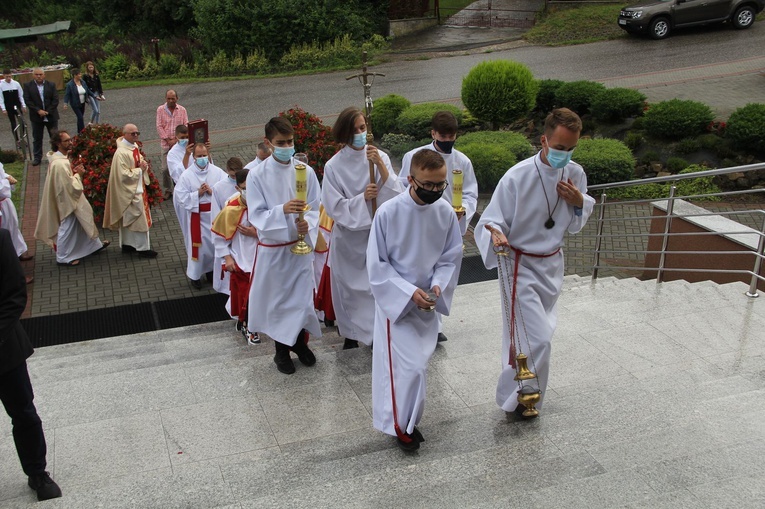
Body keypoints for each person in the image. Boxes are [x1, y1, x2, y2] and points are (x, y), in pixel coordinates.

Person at [475, 108, 595, 419]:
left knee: (538, 337)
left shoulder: (576, 174)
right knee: (534, 338)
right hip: (520, 265)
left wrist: (579, 202)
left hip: (552, 265)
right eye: (558, 148)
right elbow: (490, 220)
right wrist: (497, 233)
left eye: (570, 150)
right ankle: (515, 397)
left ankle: (528, 398)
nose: (564, 156)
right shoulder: (517, 176)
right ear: (543, 140)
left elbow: (575, 223)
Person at [367, 149, 463, 452]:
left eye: (440, 185)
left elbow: (450, 257)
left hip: (428, 301)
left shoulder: (445, 211)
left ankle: (408, 422)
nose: (435, 191)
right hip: (397, 302)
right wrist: (409, 293)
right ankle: (400, 425)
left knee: (419, 366)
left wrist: (436, 286)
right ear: (410, 178)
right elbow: (378, 265)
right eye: (429, 184)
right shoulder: (388, 213)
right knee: (406, 369)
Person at [321, 106, 404, 350]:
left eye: (363, 128)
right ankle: (351, 333)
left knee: (375, 288)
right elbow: (334, 206)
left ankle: (380, 333)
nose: (360, 133)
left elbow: (396, 194)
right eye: (355, 129)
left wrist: (381, 167)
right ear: (345, 133)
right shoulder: (333, 166)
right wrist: (362, 198)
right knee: (352, 290)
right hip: (350, 239)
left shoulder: (379, 156)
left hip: (377, 234)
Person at [246, 116, 321, 375]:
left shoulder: (305, 171)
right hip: (275, 250)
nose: (287, 146)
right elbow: (256, 215)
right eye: (281, 142)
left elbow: (315, 205)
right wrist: (282, 210)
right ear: (268, 143)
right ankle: (281, 351)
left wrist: (307, 224)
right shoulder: (256, 175)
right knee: (278, 304)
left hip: (299, 250)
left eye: (290, 141)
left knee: (300, 301)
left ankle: (299, 344)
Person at [398, 110, 478, 343]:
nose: (447, 141)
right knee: (419, 271)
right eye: (442, 136)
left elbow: (471, 193)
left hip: (449, 223)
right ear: (432, 133)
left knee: (442, 274)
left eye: (451, 136)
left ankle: (436, 322)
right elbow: (405, 186)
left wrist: (463, 210)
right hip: (420, 222)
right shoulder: (414, 156)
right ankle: (411, 315)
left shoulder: (462, 161)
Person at [0, 228, 62, 501]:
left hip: (4, 349)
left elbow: (14, 296)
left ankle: (38, 473)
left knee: (24, 413)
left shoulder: (1, 239)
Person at [34, 130, 110, 266]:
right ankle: (62, 257)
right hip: (66, 200)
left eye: (70, 139)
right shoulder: (59, 164)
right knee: (67, 226)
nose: (70, 142)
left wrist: (74, 173)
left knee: (82, 221)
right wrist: (78, 175)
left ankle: (93, 246)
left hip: (68, 197)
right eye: (66, 141)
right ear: (57, 144)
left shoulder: (60, 159)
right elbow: (68, 186)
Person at [212, 168, 259, 344]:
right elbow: (219, 234)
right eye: (244, 187)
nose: (249, 191)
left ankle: (246, 321)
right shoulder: (231, 206)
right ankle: (249, 326)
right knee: (246, 294)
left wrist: (257, 233)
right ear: (238, 188)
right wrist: (227, 258)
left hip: (264, 256)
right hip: (241, 257)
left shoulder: (265, 202)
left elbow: (277, 228)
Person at [174, 143, 226, 289]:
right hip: (198, 217)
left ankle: (210, 272)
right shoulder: (187, 175)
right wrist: (198, 193)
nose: (202, 158)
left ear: (208, 154)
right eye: (199, 156)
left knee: (213, 246)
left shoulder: (217, 172)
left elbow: (227, 189)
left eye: (204, 155)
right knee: (199, 248)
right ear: (194, 157)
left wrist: (212, 191)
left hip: (215, 216)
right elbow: (180, 197)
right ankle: (195, 276)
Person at [103, 124, 158, 258]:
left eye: (137, 133)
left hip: (137, 187)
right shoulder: (121, 153)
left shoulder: (133, 147)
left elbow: (138, 161)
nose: (136, 136)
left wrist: (143, 164)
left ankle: (128, 244)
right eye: (133, 133)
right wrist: (140, 170)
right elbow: (123, 175)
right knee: (138, 219)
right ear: (125, 134)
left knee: (130, 218)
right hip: (130, 190)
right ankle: (142, 248)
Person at [210, 157, 244, 294]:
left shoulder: (248, 183)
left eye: (238, 174)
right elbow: (215, 215)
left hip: (243, 233)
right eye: (232, 175)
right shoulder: (219, 187)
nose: (235, 178)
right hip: (226, 232)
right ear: (227, 171)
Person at [0, 161, 34, 272]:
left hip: (5, 203)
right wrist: (7, 181)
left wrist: (7, 176)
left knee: (13, 226)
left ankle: (18, 251)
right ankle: (13, 269)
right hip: (1, 204)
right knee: (5, 233)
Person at [22, 68, 59, 166]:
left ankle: (56, 155)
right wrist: (38, 110)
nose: (39, 76)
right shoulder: (28, 86)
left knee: (54, 137)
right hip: (36, 117)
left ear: (44, 75)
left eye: (40, 74)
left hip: (51, 115)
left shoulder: (51, 85)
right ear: (33, 75)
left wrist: (47, 112)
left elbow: (55, 99)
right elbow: (27, 100)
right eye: (36, 74)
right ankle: (37, 157)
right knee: (37, 138)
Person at [155, 89, 188, 199]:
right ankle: (168, 189)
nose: (170, 100)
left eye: (172, 98)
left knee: (180, 166)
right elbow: (159, 126)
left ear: (177, 99)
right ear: (166, 99)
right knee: (165, 169)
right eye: (168, 98)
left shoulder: (182, 110)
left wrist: (176, 140)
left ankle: (180, 187)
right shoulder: (160, 110)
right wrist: (168, 140)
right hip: (166, 144)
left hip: (180, 144)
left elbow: (186, 125)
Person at [63, 69, 97, 133]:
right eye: (79, 74)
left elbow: (87, 90)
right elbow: (67, 94)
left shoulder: (83, 82)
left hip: (82, 103)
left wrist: (95, 96)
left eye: (80, 74)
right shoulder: (70, 85)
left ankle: (79, 132)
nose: (80, 75)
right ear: (75, 75)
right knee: (80, 117)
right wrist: (65, 103)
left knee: (80, 118)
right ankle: (83, 131)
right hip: (75, 104)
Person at [1, 70, 27, 146]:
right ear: (4, 76)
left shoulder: (16, 83)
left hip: (17, 105)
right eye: (7, 76)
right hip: (9, 106)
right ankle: (17, 140)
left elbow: (20, 95)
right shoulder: (1, 85)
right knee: (13, 123)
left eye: (10, 76)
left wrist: (23, 105)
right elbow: (1, 98)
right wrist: (3, 109)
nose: (9, 78)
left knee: (22, 122)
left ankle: (22, 138)